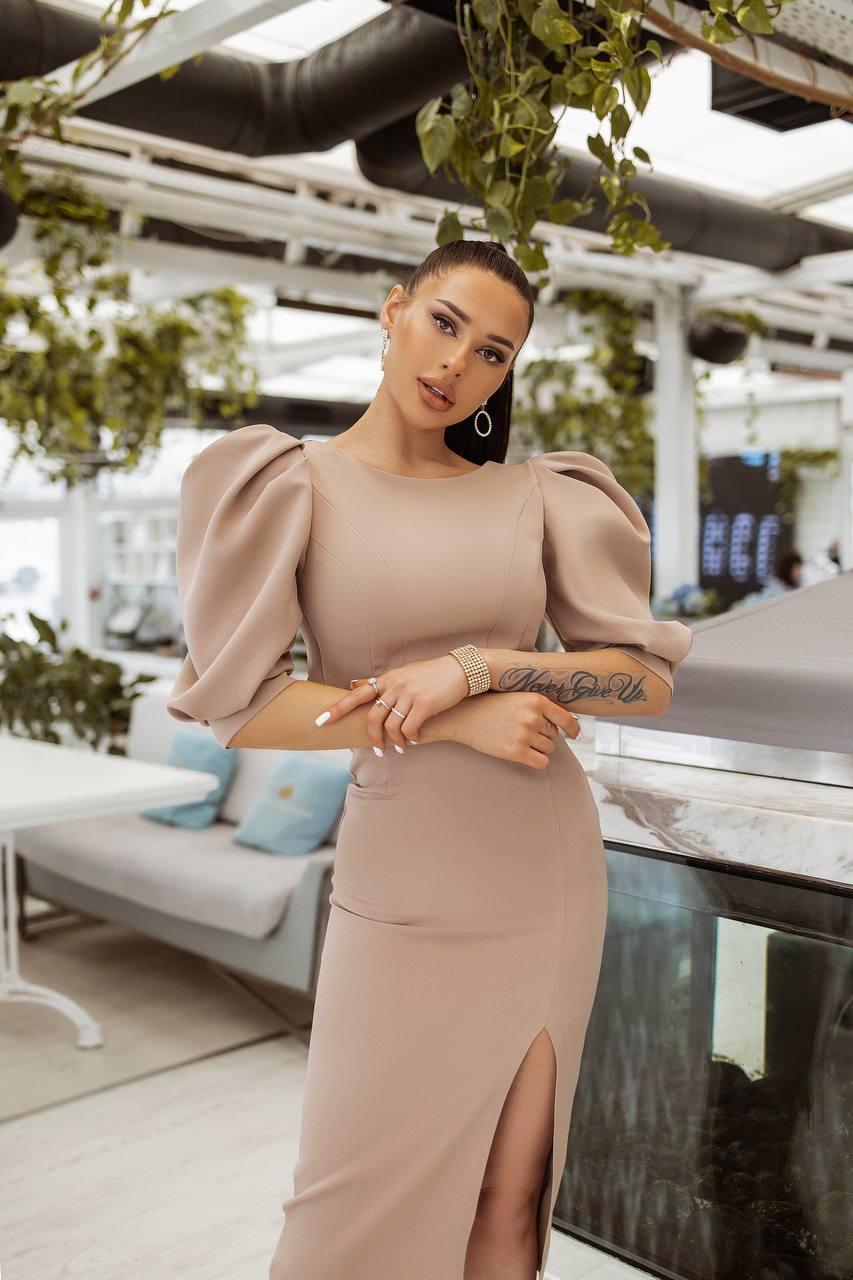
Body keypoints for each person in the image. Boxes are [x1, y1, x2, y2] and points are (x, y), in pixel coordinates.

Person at [166, 239, 694, 1280]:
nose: (459, 364)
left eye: (494, 353)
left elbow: (644, 681)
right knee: (343, 1211)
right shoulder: (289, 481)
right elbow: (246, 706)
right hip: (400, 882)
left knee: (507, 1199)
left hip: (542, 874)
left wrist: (489, 666)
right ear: (393, 310)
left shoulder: (539, 494)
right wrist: (448, 717)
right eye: (445, 323)